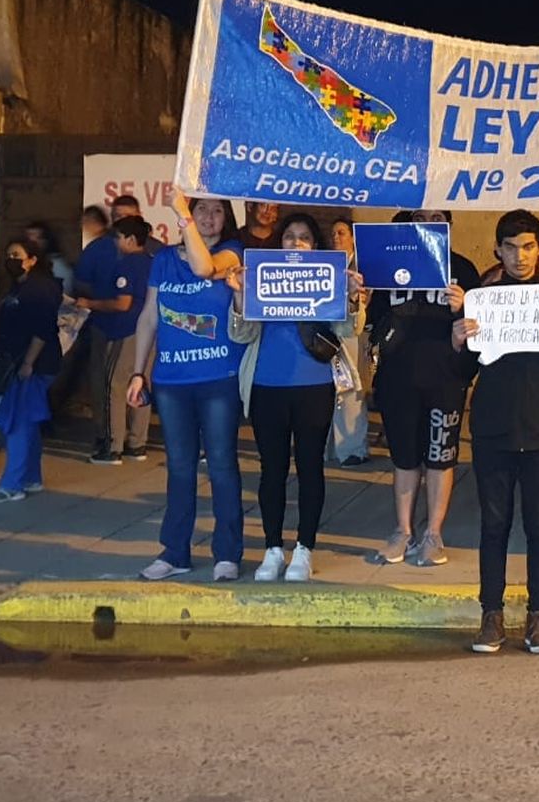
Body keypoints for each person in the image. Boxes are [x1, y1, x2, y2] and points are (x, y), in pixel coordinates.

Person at [452, 210, 539, 655]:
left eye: (528, 246)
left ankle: (538, 619)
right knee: (493, 525)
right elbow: (462, 372)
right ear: (498, 250)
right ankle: (490, 617)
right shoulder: (482, 302)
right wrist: (458, 341)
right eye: (511, 247)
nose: (520, 256)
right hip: (494, 430)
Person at [229, 213, 365, 582]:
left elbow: (348, 328)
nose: (296, 244)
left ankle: (305, 548)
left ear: (316, 247)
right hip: (266, 387)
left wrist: (352, 299)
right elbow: (242, 335)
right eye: (289, 237)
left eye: (304, 238)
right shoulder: (261, 279)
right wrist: (241, 296)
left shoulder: (330, 280)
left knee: (310, 468)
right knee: (271, 470)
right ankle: (273, 549)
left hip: (313, 386)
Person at [127, 192, 246, 581]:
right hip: (171, 382)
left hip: (217, 380)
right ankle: (175, 551)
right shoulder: (163, 260)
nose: (209, 217)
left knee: (222, 465)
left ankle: (227, 553)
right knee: (179, 468)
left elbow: (202, 268)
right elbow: (149, 317)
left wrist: (184, 219)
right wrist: (138, 371)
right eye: (201, 210)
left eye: (216, 211)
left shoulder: (231, 253)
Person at [368, 208, 480, 567]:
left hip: (445, 378)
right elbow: (371, 324)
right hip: (399, 377)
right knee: (404, 458)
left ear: (448, 223)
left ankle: (433, 533)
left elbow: (480, 328)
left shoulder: (462, 268)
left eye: (438, 217)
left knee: (440, 456)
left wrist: (463, 307)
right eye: (422, 216)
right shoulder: (390, 263)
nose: (430, 222)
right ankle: (402, 531)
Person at [0, 240, 63, 503]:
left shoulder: (41, 288)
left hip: (30, 365)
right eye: (8, 254)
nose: (10, 259)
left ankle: (11, 484)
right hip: (21, 362)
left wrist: (28, 362)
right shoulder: (23, 287)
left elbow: (43, 328)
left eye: (16, 255)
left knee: (17, 422)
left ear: (32, 259)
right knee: (27, 421)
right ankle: (30, 477)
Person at [81, 217, 155, 464]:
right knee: (141, 386)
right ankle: (137, 443)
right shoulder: (152, 263)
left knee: (115, 386)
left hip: (127, 333)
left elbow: (122, 304)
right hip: (150, 333)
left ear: (131, 240)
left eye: (119, 237)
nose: (116, 242)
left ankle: (112, 447)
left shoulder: (128, 265)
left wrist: (89, 304)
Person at [326, 216, 370, 467]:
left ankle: (354, 448)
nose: (336, 237)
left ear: (353, 238)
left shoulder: (362, 265)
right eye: (333, 233)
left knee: (352, 391)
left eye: (341, 232)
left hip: (353, 332)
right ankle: (333, 448)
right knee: (333, 394)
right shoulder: (328, 264)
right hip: (329, 333)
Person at [24, 221, 74, 289]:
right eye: (28, 238)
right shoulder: (32, 263)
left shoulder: (57, 266)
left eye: (37, 238)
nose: (29, 244)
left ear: (45, 240)